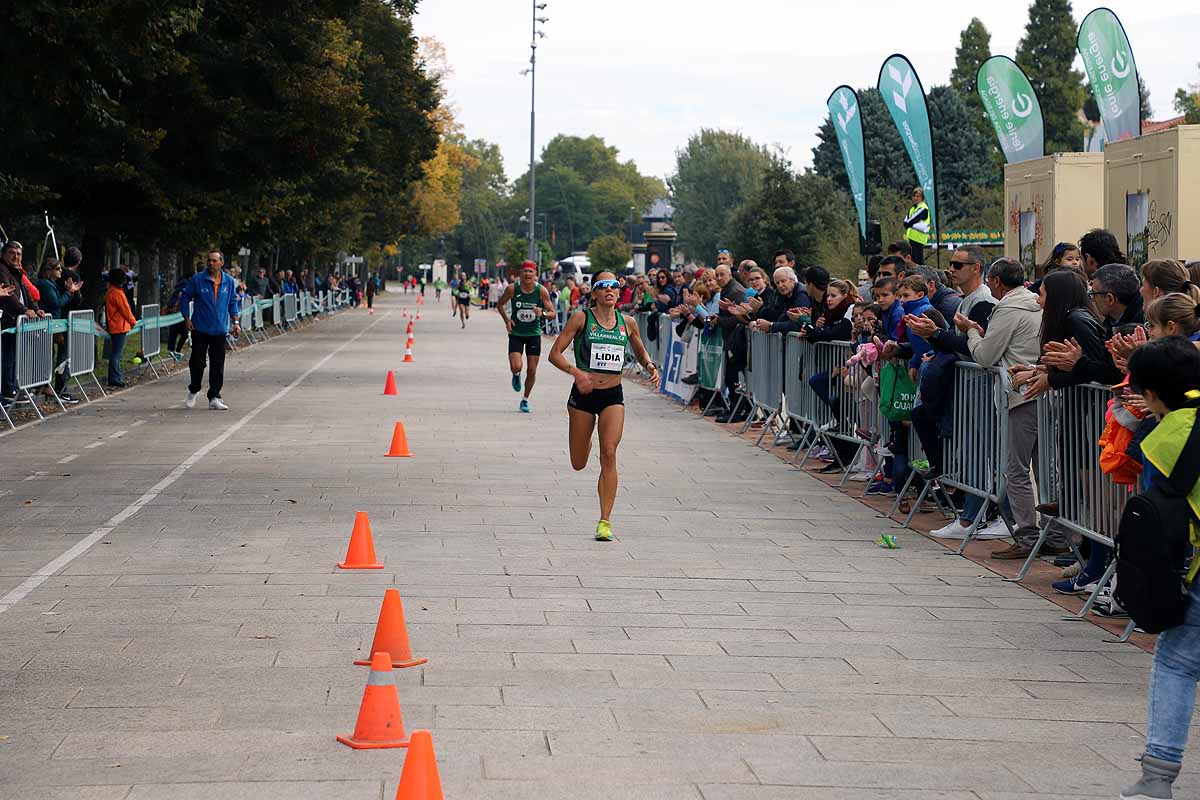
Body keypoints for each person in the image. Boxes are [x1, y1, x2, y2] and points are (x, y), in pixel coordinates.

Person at [1119, 337, 1200, 800]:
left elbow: (1158, 515)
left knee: (1176, 662)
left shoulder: (1164, 438)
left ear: (1150, 396)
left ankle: (1158, 774)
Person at [958, 258, 1060, 559]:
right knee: (1047, 468)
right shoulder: (1036, 304)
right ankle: (1056, 534)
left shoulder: (1007, 309)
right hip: (1046, 390)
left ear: (997, 281)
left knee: (1015, 469)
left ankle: (1027, 535)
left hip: (1021, 393)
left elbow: (986, 355)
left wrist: (972, 332)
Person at [548, 272, 660, 541]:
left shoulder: (628, 322)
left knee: (609, 452)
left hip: (613, 395)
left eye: (614, 286)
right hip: (583, 397)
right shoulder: (581, 318)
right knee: (578, 462)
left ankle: (605, 521)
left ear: (618, 293)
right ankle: (583, 439)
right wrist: (577, 373)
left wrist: (649, 366)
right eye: (603, 286)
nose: (609, 290)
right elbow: (554, 354)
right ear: (594, 293)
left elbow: (640, 349)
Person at [180, 250, 241, 411]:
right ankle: (194, 389)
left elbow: (233, 302)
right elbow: (185, 297)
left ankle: (214, 396)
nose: (211, 264)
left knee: (218, 364)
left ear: (221, 262)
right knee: (197, 362)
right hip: (200, 327)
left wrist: (236, 321)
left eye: (214, 261)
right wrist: (186, 318)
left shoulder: (228, 281)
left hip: (219, 329)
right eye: (209, 261)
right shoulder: (198, 279)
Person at [499, 261, 557, 413]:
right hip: (516, 334)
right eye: (525, 271)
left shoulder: (541, 291)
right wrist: (507, 321)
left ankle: (525, 400)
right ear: (520, 274)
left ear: (535, 275)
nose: (527, 274)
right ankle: (516, 374)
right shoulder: (513, 289)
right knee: (516, 366)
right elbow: (499, 305)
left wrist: (542, 313)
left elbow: (553, 313)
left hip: (533, 335)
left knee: (532, 370)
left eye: (530, 272)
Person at [103, 269, 136, 389]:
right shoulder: (118, 293)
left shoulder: (110, 291)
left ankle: (114, 377)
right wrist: (133, 322)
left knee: (115, 353)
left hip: (114, 325)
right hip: (119, 327)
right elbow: (125, 310)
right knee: (116, 354)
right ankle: (115, 378)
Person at [902, 188, 931, 265]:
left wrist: (910, 224)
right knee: (912, 261)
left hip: (918, 238)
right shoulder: (912, 209)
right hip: (911, 238)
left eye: (918, 196)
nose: (915, 198)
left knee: (918, 262)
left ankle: (922, 276)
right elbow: (905, 222)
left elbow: (910, 221)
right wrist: (909, 223)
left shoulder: (923, 208)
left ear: (922, 198)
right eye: (914, 196)